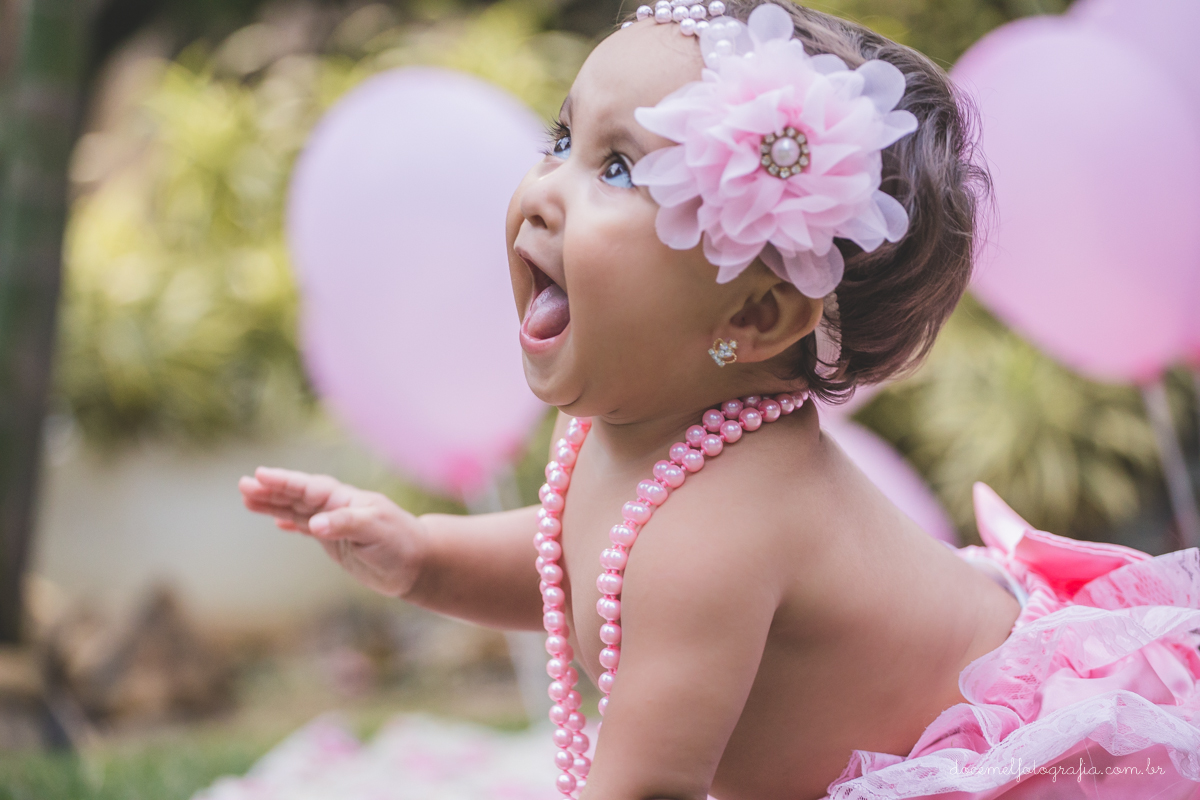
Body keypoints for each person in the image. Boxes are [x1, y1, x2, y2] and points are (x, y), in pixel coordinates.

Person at [239, 3, 1200, 798]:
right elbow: (575, 551)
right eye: (564, 139)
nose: (544, 191)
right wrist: (423, 553)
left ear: (756, 312)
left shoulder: (720, 532)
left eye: (617, 170)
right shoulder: (640, 435)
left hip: (997, 760)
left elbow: (646, 783)